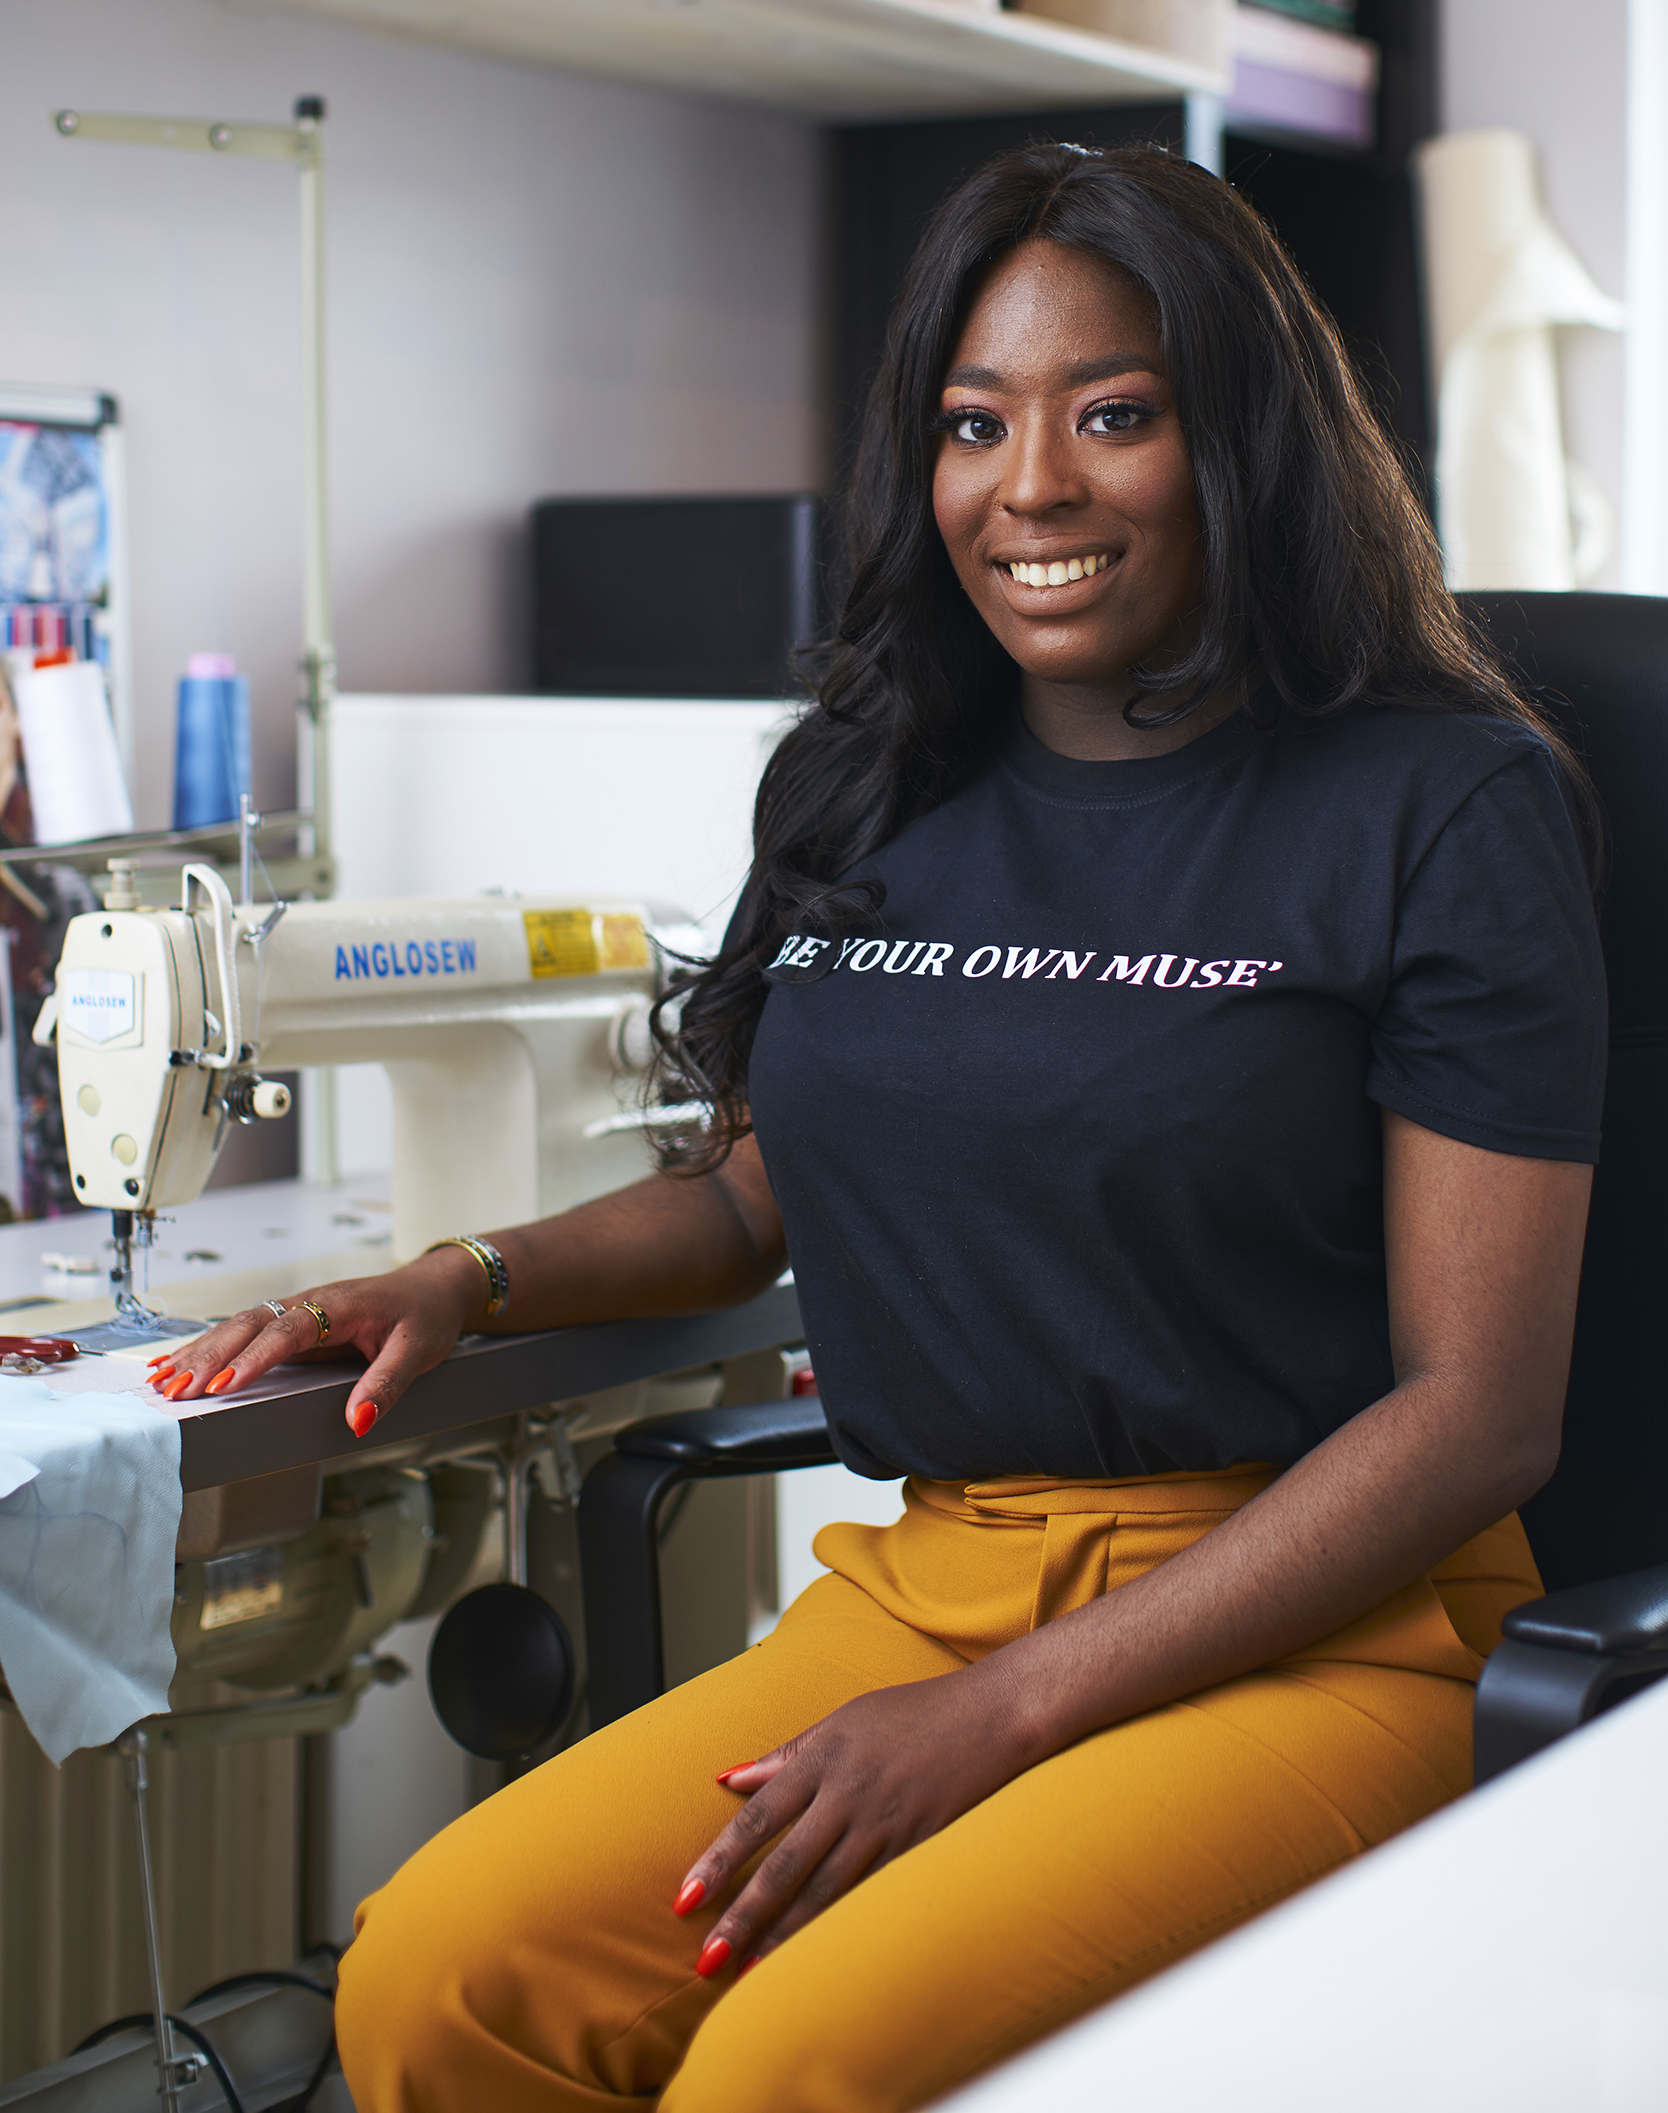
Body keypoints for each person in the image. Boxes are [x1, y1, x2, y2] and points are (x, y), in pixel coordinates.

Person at [152, 144, 1607, 2113]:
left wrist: (993, 1716)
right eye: (972, 422)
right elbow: (755, 1188)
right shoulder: (874, 781)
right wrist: (466, 1276)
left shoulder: (1444, 802)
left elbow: (1479, 1412)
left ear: (1240, 434)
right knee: (433, 1979)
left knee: (788, 2065)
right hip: (933, 1573)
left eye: (1115, 413)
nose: (1032, 485)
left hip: (1329, 1621)